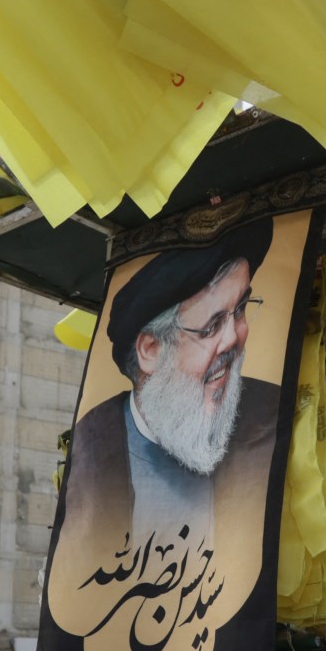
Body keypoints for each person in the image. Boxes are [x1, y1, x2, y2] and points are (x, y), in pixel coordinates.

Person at [63, 219, 280, 559]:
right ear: (151, 350)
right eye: (211, 327)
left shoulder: (271, 412)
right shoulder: (93, 441)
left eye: (239, 310)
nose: (233, 338)